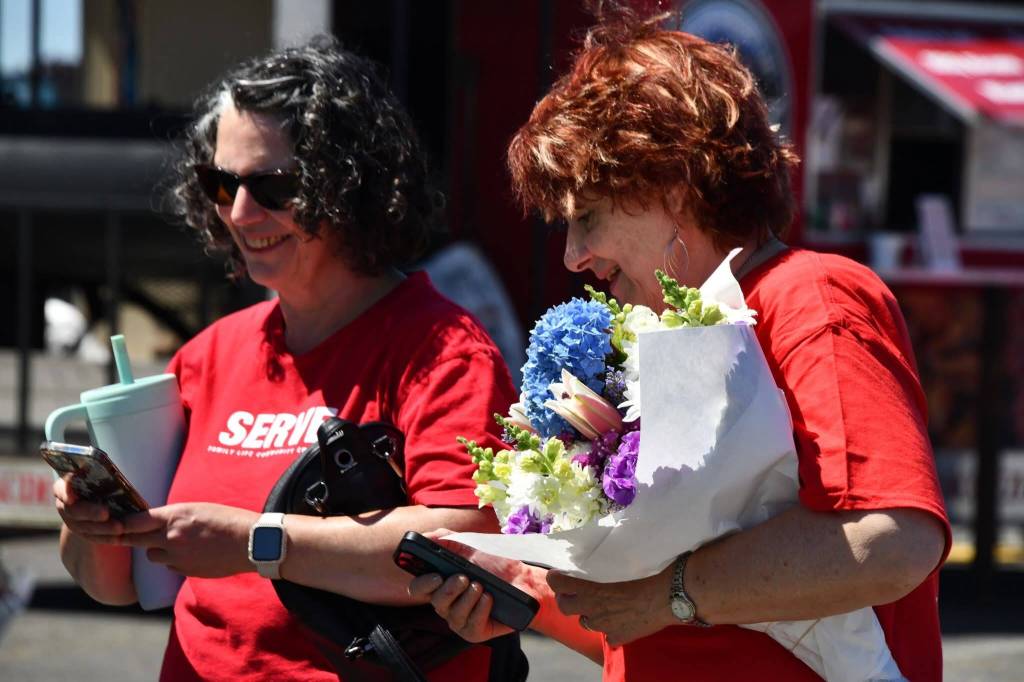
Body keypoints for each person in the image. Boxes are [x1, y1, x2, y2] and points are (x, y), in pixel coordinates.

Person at [409, 14, 950, 682]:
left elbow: (892, 542)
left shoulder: (810, 297)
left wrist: (671, 592)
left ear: (668, 182)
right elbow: (652, 626)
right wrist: (524, 589)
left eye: (588, 216)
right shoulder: (657, 339)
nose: (575, 255)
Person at [53, 37, 521, 681]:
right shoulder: (208, 356)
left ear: (350, 187)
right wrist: (89, 526)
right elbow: (116, 587)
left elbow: (465, 545)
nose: (241, 213)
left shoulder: (442, 351)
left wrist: (256, 541)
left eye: (274, 186)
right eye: (221, 183)